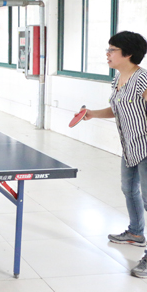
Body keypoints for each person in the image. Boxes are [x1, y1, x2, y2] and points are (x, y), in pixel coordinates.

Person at [80, 31, 147, 278]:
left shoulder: (142, 80)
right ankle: (136, 232)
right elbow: (117, 108)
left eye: (112, 50)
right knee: (129, 189)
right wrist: (92, 113)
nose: (107, 54)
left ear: (128, 54)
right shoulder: (118, 79)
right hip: (130, 146)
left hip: (146, 146)